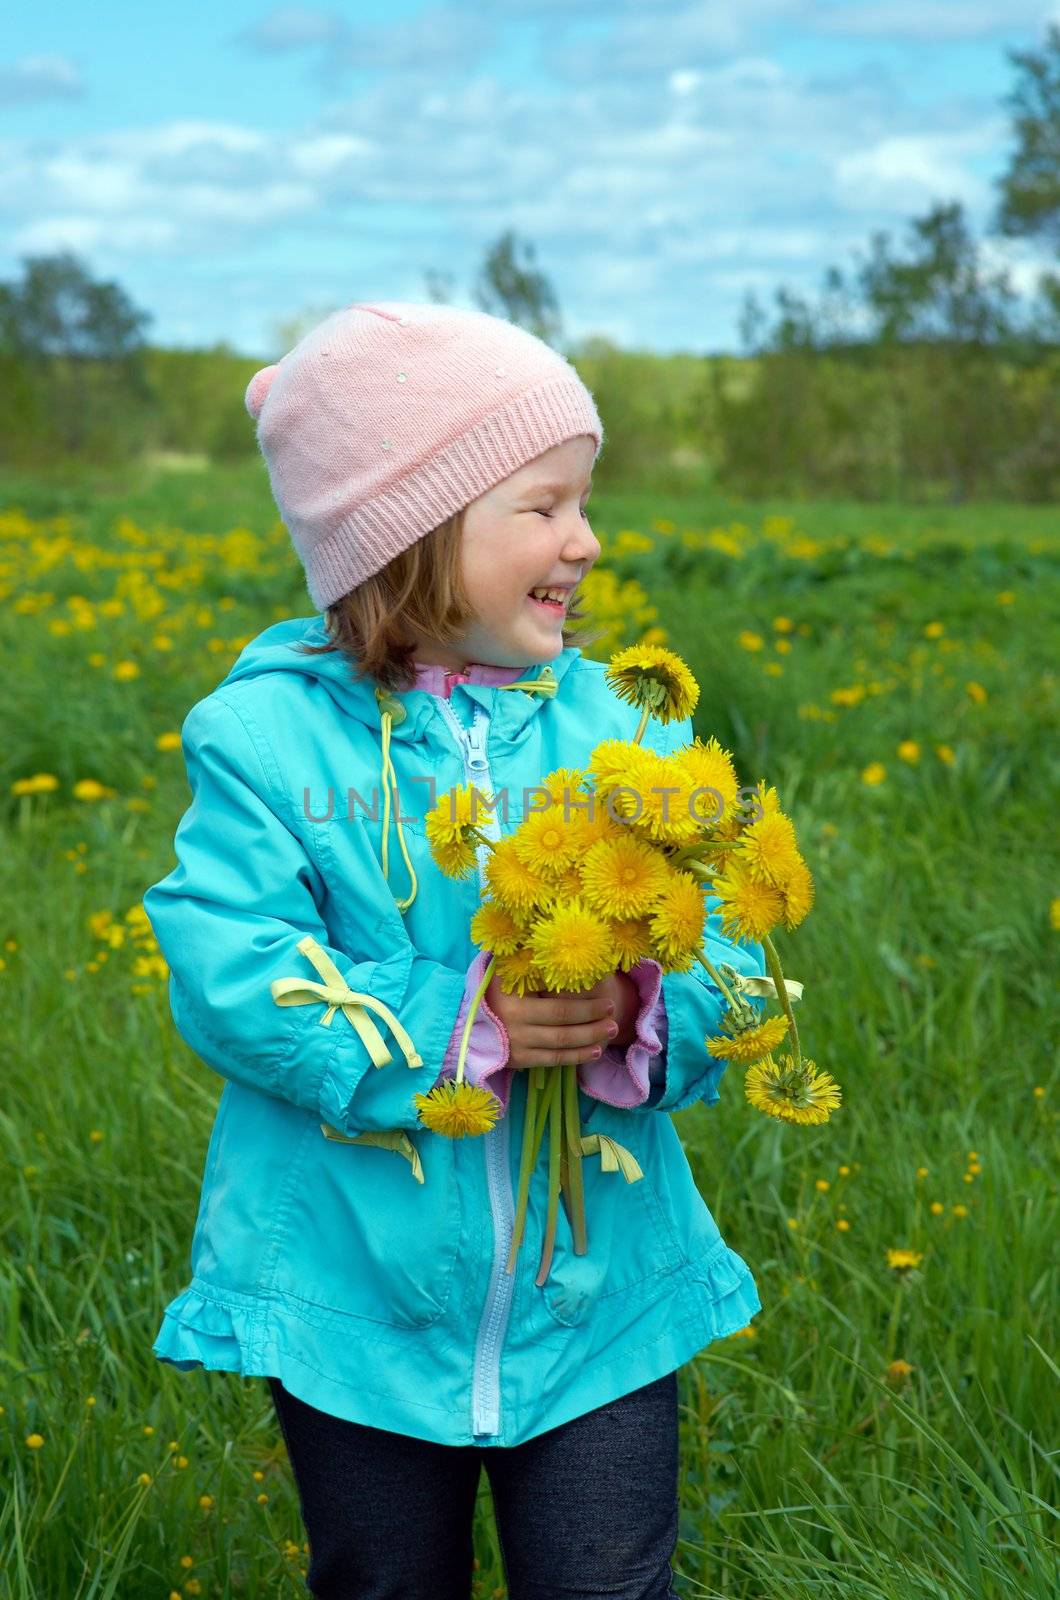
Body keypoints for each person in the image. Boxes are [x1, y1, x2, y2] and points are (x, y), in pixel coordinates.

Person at [143, 300, 766, 1600]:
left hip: (599, 1300)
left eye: (583, 504)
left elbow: (737, 961)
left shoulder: (625, 731)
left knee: (607, 1584)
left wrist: (639, 1006)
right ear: (409, 534)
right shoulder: (266, 744)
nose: (584, 542)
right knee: (381, 1582)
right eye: (543, 508)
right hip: (355, 1295)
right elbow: (232, 971)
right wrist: (458, 1025)